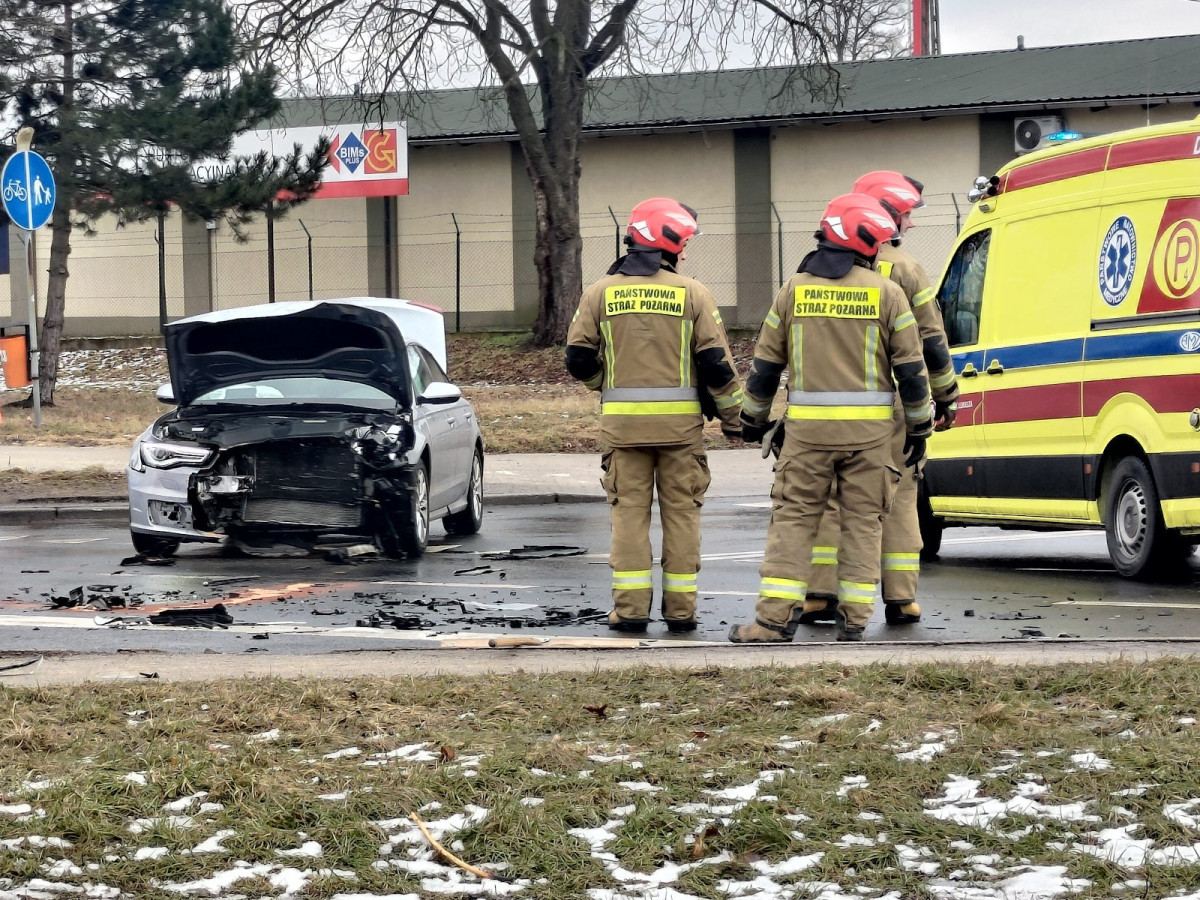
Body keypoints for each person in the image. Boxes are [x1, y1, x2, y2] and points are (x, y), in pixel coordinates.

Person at [729, 193, 932, 643]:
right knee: (864, 523)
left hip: (806, 439)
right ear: (863, 244)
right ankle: (855, 622)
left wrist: (752, 421)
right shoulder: (888, 293)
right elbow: (912, 372)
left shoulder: (793, 290)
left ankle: (771, 624)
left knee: (795, 521)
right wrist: (920, 427)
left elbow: (764, 367)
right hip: (871, 440)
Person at [566, 198, 743, 633]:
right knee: (682, 515)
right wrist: (737, 419)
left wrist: (603, 386)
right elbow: (717, 365)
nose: (685, 252)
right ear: (668, 243)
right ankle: (681, 612)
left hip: (622, 431)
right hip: (681, 433)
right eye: (683, 243)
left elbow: (578, 357)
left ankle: (629, 611)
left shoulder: (600, 292)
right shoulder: (692, 293)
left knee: (629, 515)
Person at [799, 172, 959, 628]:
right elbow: (931, 339)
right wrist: (945, 395)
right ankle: (901, 598)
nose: (908, 224)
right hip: (894, 406)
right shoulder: (904, 269)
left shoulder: (814, 270)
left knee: (829, 498)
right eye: (905, 214)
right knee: (899, 495)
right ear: (884, 213)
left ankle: (820, 595)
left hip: (830, 402)